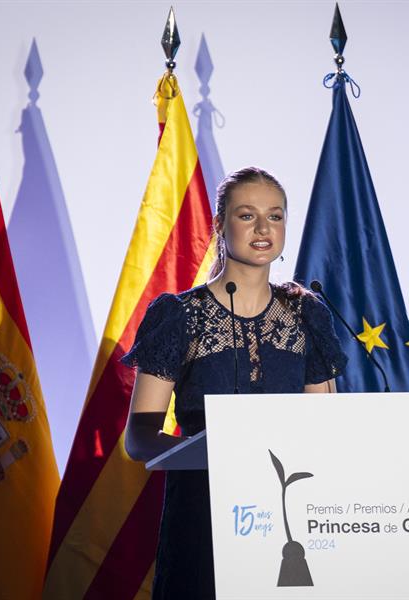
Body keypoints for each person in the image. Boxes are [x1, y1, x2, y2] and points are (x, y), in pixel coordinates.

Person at [120, 166, 347, 599]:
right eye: (247, 215)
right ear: (219, 225)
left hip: (288, 521)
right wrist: (214, 455)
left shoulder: (307, 316)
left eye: (275, 216)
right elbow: (139, 440)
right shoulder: (179, 315)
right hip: (202, 517)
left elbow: (325, 432)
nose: (263, 228)